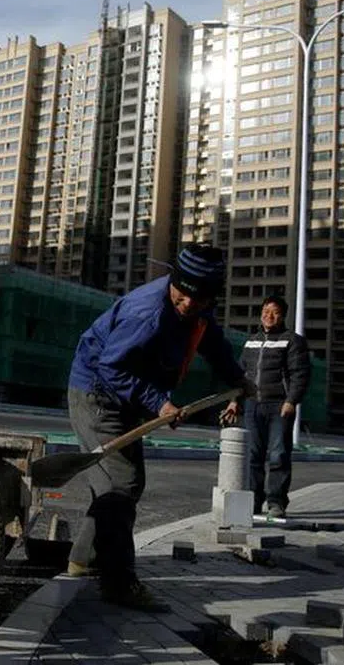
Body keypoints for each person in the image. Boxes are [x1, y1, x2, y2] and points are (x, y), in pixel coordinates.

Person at [65, 243, 256, 612]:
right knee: (122, 483)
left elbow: (213, 345)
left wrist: (239, 379)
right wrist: (159, 403)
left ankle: (82, 560)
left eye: (197, 301)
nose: (186, 305)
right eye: (181, 296)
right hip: (97, 393)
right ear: (173, 282)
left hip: (124, 395)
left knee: (115, 484)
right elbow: (111, 368)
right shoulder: (148, 313)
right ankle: (118, 583)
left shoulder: (198, 309)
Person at [223, 295, 311, 519]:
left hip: (279, 406)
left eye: (274, 312)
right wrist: (235, 401)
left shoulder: (292, 341)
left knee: (278, 455)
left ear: (283, 315)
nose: (268, 316)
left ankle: (276, 502)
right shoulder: (251, 341)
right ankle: (253, 501)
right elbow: (242, 375)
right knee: (253, 456)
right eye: (265, 311)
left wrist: (291, 401)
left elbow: (299, 375)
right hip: (253, 406)